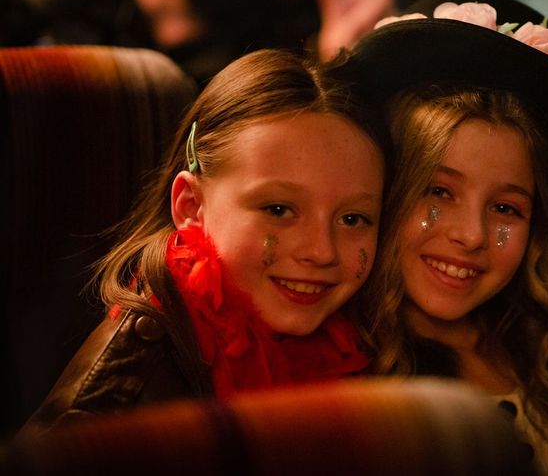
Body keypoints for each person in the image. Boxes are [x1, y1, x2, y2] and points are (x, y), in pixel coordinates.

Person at [331, 0, 548, 474]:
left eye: (506, 208)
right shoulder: (336, 368)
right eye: (438, 192)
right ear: (382, 189)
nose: (472, 235)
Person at [19, 48, 387, 436]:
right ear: (191, 206)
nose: (321, 251)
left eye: (352, 219)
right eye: (278, 209)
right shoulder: (109, 418)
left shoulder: (368, 339)